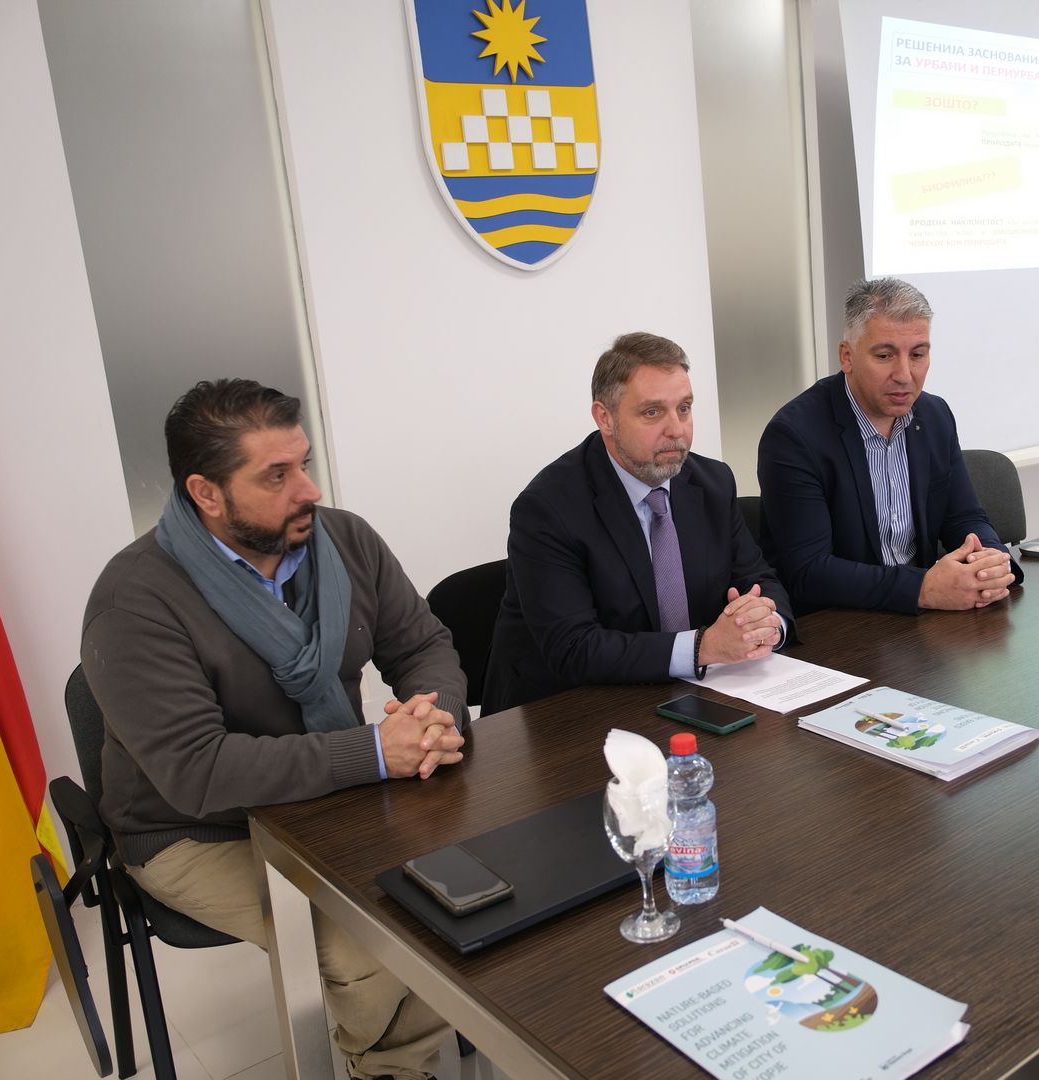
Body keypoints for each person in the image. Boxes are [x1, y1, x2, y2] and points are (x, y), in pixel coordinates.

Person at [82, 379, 467, 1080]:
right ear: (206, 493)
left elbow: (422, 646)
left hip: (338, 795)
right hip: (196, 829)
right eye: (277, 475)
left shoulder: (344, 540)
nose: (310, 490)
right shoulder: (133, 600)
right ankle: (394, 1069)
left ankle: (394, 1059)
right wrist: (374, 751)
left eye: (305, 464)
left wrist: (432, 714)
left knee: (473, 899)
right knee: (372, 946)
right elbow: (199, 772)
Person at [484, 332, 796, 714]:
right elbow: (574, 649)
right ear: (605, 418)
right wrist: (704, 647)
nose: (677, 429)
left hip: (691, 694)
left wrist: (768, 623)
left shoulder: (712, 483)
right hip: (567, 712)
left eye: (684, 408)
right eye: (652, 412)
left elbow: (759, 579)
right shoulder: (547, 509)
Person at [757, 277, 1015, 615]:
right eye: (884, 355)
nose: (905, 374)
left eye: (918, 354)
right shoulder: (794, 437)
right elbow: (810, 571)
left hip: (921, 616)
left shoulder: (934, 415)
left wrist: (991, 562)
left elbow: (964, 517)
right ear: (847, 356)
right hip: (840, 622)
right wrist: (923, 588)